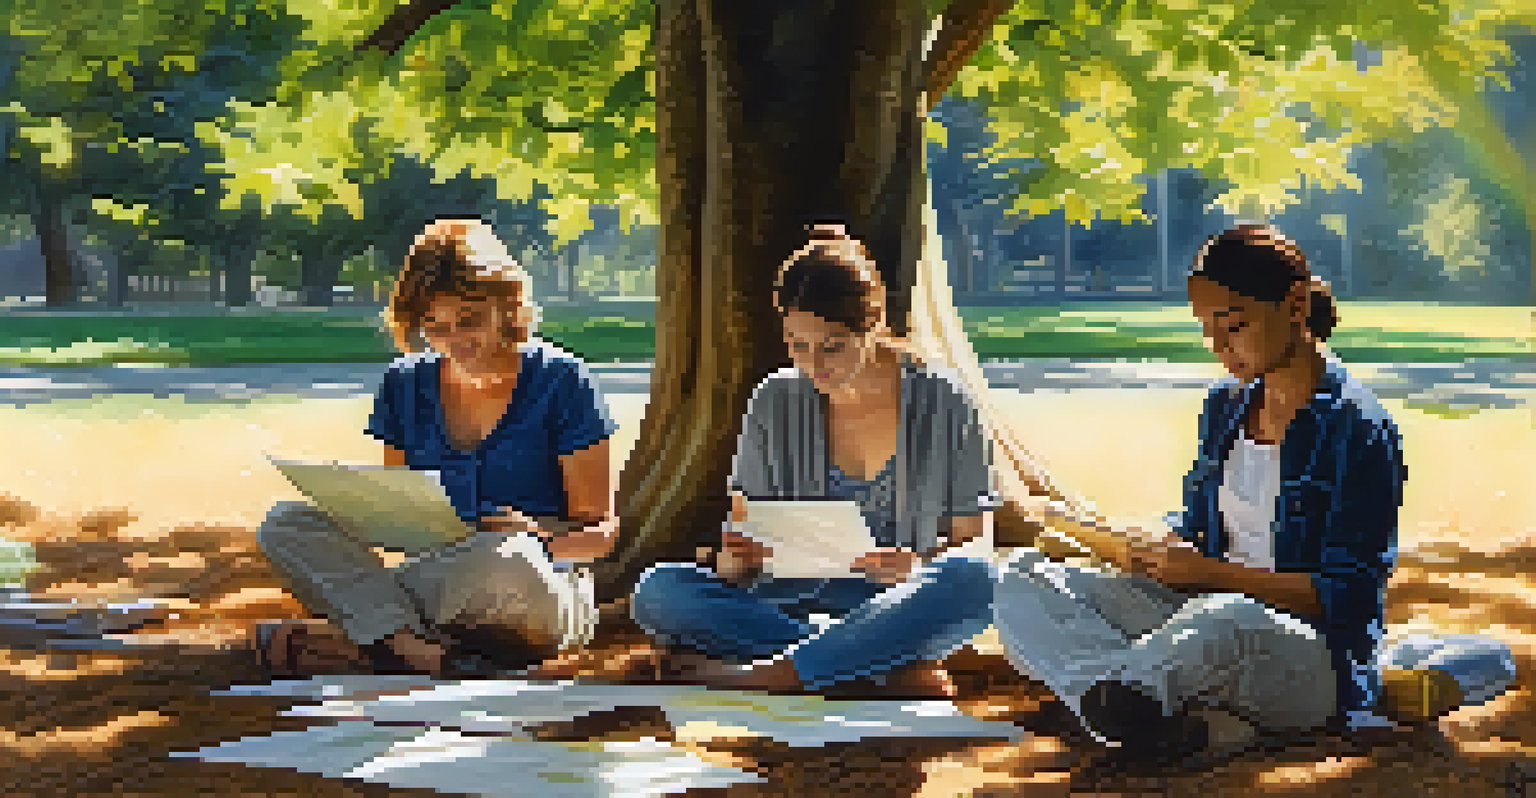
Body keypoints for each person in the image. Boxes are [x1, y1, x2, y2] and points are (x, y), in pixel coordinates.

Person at [992, 224, 1409, 765]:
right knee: (1024, 580)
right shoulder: (1224, 408)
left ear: (1296, 305)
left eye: (1233, 326)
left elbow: (1348, 599)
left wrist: (1209, 575)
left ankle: (1118, 704)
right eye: (1206, 328)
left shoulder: (1358, 427)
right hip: (1199, 615)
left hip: (1305, 654)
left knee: (1224, 619)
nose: (1217, 347)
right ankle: (1155, 714)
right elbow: (1205, 527)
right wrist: (1158, 547)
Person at [626, 223, 997, 698]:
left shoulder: (944, 400)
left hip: (897, 606)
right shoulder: (774, 399)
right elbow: (745, 533)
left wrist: (917, 567)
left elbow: (973, 544)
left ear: (873, 323)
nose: (814, 364)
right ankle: (871, 670)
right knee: (659, 590)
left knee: (977, 578)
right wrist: (734, 563)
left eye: (832, 346)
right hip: (785, 602)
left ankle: (770, 674)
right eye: (798, 345)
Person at [256, 217, 619, 678]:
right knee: (285, 524)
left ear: (507, 307)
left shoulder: (562, 380)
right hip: (439, 576)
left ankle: (374, 638)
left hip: (536, 582)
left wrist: (538, 536)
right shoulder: (404, 384)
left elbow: (602, 536)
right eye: (435, 325)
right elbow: (394, 514)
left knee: (506, 562)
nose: (454, 342)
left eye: (469, 321)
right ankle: (421, 651)